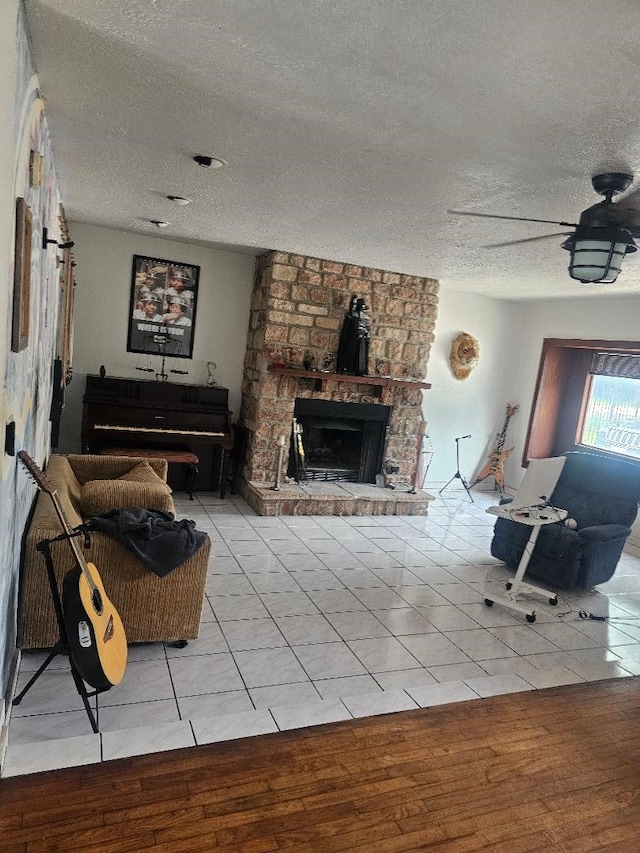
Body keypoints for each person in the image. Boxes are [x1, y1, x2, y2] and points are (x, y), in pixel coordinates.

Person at [336, 293, 370, 375]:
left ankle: (359, 370)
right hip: (352, 337)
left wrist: (365, 336)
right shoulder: (351, 315)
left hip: (361, 339)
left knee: (360, 355)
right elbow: (346, 332)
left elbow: (367, 330)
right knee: (349, 352)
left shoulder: (365, 317)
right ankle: (346, 367)